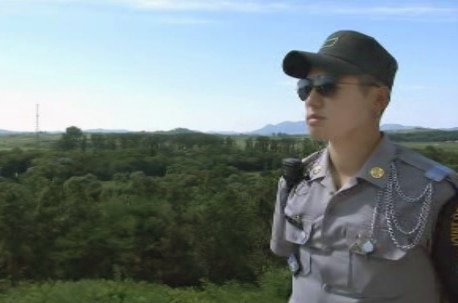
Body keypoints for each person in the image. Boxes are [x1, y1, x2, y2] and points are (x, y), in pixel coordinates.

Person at [270, 29, 458, 303]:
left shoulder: (436, 192)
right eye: (305, 88)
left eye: (326, 85)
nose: (311, 99)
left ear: (378, 99)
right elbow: (284, 253)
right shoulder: (297, 181)